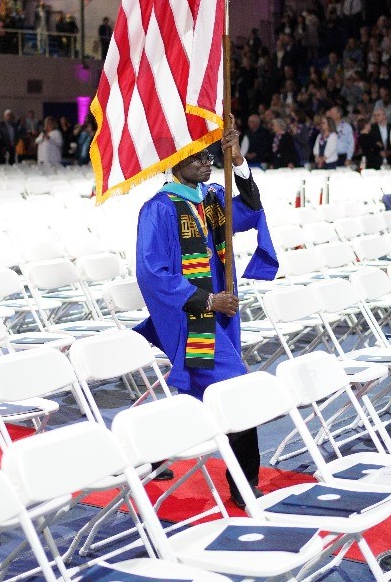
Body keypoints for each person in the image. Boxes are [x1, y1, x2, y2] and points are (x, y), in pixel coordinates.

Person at [135, 125, 277, 509]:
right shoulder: (159, 209)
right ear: (176, 163)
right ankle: (244, 486)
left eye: (208, 155)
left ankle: (148, 453)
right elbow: (151, 272)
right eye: (198, 157)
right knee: (236, 388)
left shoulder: (212, 198)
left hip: (223, 314)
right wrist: (207, 300)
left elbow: (249, 212)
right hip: (192, 316)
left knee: (201, 394)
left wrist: (240, 162)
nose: (207, 162)